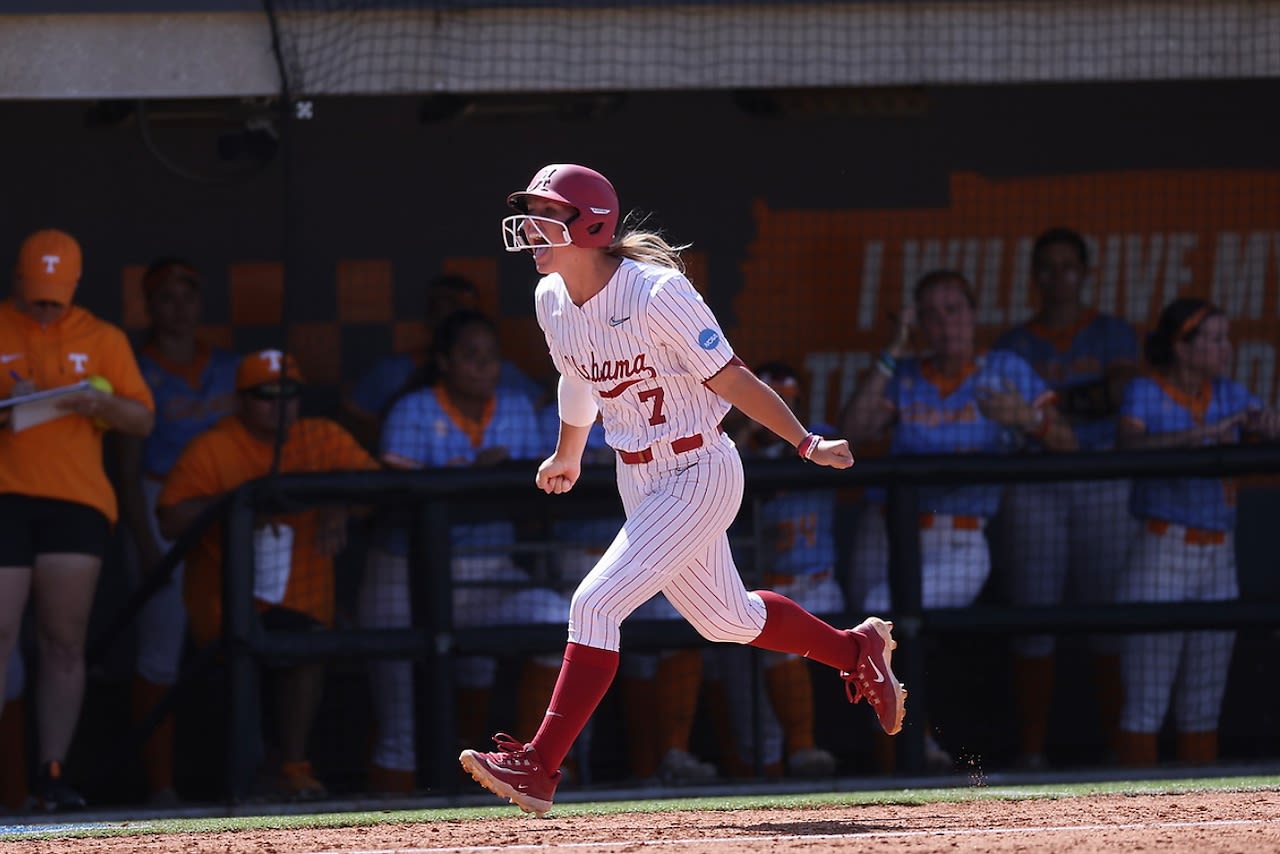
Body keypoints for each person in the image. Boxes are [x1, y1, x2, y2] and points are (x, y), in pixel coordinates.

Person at [458, 163, 905, 817]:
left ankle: (539, 764)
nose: (531, 228)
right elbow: (578, 379)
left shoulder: (655, 290)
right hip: (637, 475)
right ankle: (856, 649)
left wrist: (805, 441)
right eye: (530, 213)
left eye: (546, 215)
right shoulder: (551, 296)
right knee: (729, 621)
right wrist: (569, 452)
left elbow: (731, 377)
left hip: (700, 469)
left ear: (590, 226)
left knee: (595, 603)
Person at [841, 269, 1077, 768]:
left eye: (953, 309)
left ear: (973, 314)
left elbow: (1069, 445)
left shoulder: (1004, 370)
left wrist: (1028, 419)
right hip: (898, 536)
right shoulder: (905, 375)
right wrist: (893, 350)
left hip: (963, 542)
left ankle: (911, 742)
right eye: (930, 314)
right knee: (875, 619)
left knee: (884, 620)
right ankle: (905, 750)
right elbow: (853, 431)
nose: (944, 322)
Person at [156, 349, 378, 800]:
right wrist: (235, 508)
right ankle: (247, 774)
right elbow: (170, 517)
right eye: (265, 395)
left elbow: (381, 490)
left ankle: (294, 768)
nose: (279, 405)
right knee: (240, 668)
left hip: (301, 602)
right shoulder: (214, 446)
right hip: (226, 605)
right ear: (240, 399)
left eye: (290, 394)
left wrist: (340, 501)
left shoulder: (321, 437)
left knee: (305, 646)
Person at [361, 310, 567, 794]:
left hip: (490, 573)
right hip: (403, 577)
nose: (483, 367)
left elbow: (548, 501)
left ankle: (536, 760)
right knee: (399, 723)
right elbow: (387, 506)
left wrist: (511, 472)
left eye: (491, 358)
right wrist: (464, 474)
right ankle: (386, 821)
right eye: (470, 357)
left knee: (559, 623)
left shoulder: (516, 409)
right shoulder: (412, 410)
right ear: (444, 362)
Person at [0, 228, 156, 810]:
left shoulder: (103, 338)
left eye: (54, 297)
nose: (44, 307)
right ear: (17, 279)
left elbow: (141, 419)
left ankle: (51, 774)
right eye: (36, 294)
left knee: (63, 640)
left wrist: (99, 403)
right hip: (6, 496)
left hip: (77, 502)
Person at [992, 228, 1139, 769]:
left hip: (1102, 481)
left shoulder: (1111, 333)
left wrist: (1044, 409)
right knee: (1035, 618)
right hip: (1036, 485)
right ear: (1035, 276)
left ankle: (1121, 749)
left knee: (1107, 617)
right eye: (1048, 267)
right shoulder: (1014, 344)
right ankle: (1032, 750)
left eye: (1068, 266)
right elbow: (1011, 409)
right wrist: (1070, 407)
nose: (1059, 277)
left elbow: (1120, 394)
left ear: (1085, 272)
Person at [1113, 298, 1280, 766]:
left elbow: (1265, 421)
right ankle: (1128, 810)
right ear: (1181, 348)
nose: (1225, 348)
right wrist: (1206, 434)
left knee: (1204, 701)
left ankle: (1197, 811)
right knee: (1147, 698)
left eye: (1226, 337)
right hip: (1162, 549)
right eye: (1214, 339)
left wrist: (1266, 427)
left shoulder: (1228, 393)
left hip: (1219, 557)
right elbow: (1129, 443)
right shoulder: (1146, 390)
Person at [538, 404, 718, 785]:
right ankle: (562, 762)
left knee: (713, 619)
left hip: (653, 543)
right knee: (586, 616)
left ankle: (674, 754)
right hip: (575, 558)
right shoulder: (563, 406)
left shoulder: (657, 403)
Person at [115, 258, 239, 803]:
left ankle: (241, 778)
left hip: (224, 507)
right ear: (150, 306)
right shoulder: (136, 366)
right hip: (159, 501)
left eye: (187, 295)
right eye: (166, 297)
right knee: (160, 647)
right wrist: (145, 541)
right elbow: (125, 466)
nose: (179, 307)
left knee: (232, 635)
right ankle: (160, 786)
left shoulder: (230, 367)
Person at [714, 361, 842, 779]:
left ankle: (803, 749)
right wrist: (749, 434)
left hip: (817, 584)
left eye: (787, 401)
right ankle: (758, 774)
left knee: (779, 645)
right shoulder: (729, 450)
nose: (775, 411)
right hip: (754, 590)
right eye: (768, 402)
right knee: (737, 672)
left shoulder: (817, 436)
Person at [343, 274, 543, 449]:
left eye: (461, 308)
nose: (483, 366)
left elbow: (546, 412)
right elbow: (353, 425)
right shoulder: (396, 380)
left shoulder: (514, 397)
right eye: (443, 307)